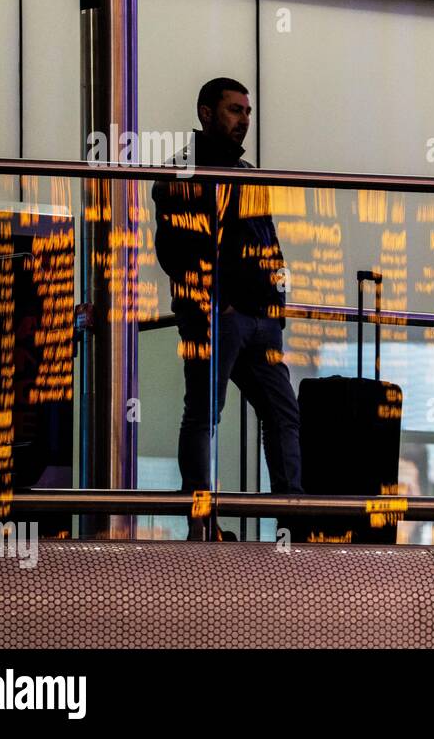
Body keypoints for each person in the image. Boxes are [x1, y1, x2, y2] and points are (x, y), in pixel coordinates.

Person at [151, 77, 302, 541]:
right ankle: (203, 523)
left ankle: (293, 520)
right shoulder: (182, 171)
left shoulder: (247, 171)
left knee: (282, 413)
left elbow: (267, 242)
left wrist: (275, 306)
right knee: (204, 413)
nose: (244, 120)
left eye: (247, 112)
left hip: (257, 319)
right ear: (206, 113)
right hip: (218, 316)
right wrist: (221, 300)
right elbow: (174, 250)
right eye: (235, 110)